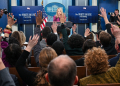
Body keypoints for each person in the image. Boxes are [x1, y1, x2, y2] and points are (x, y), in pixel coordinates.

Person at [79, 7, 120, 86]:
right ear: (106, 61)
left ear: (87, 65)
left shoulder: (83, 82)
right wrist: (118, 36)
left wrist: (85, 36)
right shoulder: (115, 74)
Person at [16, 10, 58, 86]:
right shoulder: (62, 77)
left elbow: (19, 65)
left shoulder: (33, 78)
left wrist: (29, 47)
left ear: (39, 61)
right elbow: (58, 44)